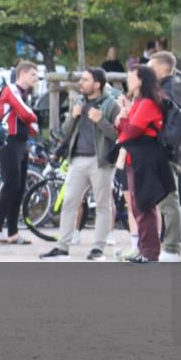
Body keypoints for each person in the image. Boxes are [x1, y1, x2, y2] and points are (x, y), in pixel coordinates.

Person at [39, 68, 119, 261]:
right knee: (69, 203)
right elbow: (65, 133)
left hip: (101, 162)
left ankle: (98, 249)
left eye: (85, 79)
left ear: (97, 84)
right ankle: (62, 248)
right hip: (77, 160)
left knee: (102, 205)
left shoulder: (111, 105)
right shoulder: (78, 102)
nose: (81, 83)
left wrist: (100, 121)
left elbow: (118, 135)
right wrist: (73, 116)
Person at [113, 65, 175, 263]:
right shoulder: (139, 102)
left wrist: (124, 119)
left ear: (140, 80)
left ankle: (149, 253)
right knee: (137, 205)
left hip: (146, 158)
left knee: (144, 205)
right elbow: (125, 130)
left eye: (131, 78)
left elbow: (131, 131)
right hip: (136, 158)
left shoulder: (147, 103)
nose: (128, 82)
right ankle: (144, 250)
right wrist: (124, 118)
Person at [148, 51, 181, 261]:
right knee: (166, 200)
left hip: (166, 151)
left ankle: (172, 247)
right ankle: (167, 245)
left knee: (169, 201)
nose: (149, 70)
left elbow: (168, 120)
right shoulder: (174, 87)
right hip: (169, 151)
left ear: (163, 68)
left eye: (152, 66)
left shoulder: (168, 90)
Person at [0, 60, 40, 244]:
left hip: (21, 143)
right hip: (9, 142)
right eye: (33, 75)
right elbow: (27, 114)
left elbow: (33, 128)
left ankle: (13, 232)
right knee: (11, 185)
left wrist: (31, 122)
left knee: (19, 188)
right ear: (22, 74)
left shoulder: (24, 94)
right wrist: (32, 119)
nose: (36, 79)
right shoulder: (11, 89)